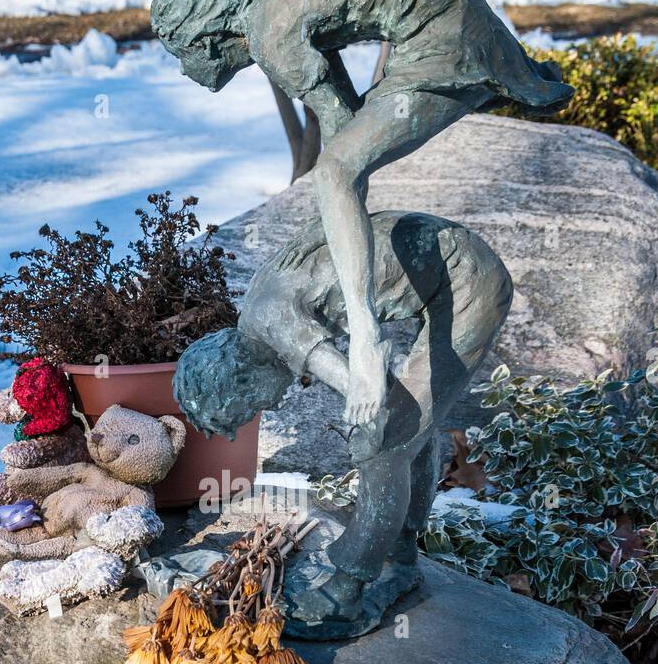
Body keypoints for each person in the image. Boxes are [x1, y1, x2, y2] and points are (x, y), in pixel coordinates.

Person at [153, 0, 570, 441]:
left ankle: (367, 338)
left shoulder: (267, 31)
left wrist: (358, 341)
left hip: (439, 35)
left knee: (332, 175)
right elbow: (343, 127)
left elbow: (338, 159)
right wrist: (333, 224)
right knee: (338, 173)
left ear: (213, 31)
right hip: (445, 15)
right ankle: (366, 332)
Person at [174, 210, 513, 635]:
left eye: (253, 406)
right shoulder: (257, 312)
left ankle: (345, 591)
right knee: (412, 427)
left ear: (240, 380)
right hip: (453, 265)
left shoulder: (272, 324)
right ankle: (402, 557)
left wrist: (369, 428)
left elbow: (362, 392)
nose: (273, 405)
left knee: (386, 441)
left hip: (468, 286)